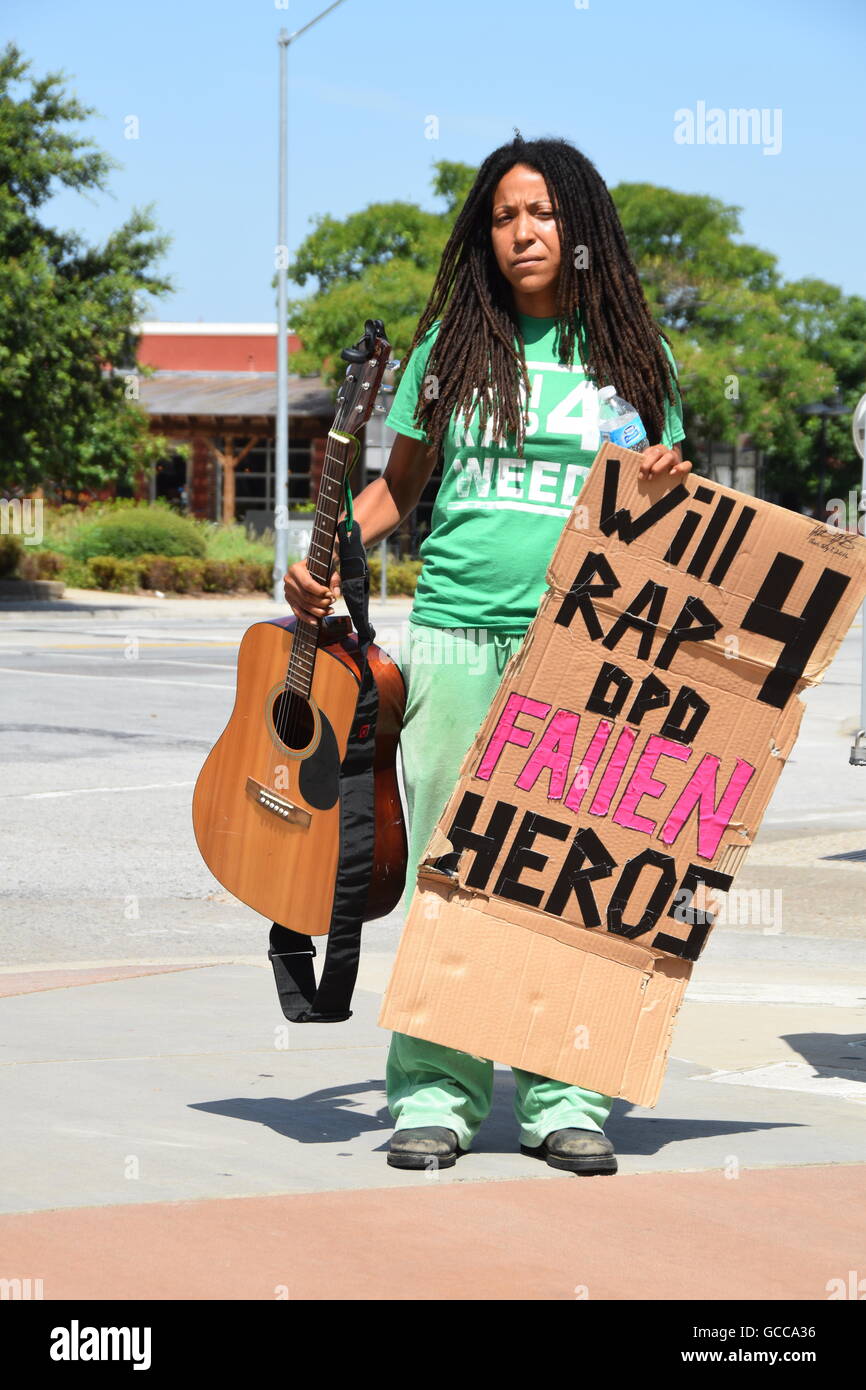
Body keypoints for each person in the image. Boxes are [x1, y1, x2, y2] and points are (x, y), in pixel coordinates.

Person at [283, 133, 692, 1176]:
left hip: (584, 647)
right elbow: (395, 492)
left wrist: (659, 475)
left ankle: (563, 1097)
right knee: (452, 870)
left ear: (582, 229)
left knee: (566, 873)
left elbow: (670, 509)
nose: (522, 232)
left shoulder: (633, 359)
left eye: (543, 214)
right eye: (505, 215)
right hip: (458, 637)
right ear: (484, 232)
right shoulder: (449, 353)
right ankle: (435, 1091)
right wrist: (323, 554)